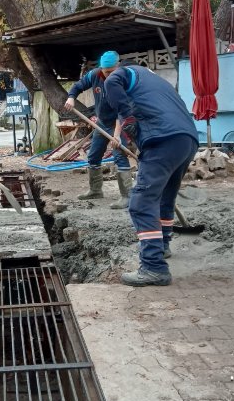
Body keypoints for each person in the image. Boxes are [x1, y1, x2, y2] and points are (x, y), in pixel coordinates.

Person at [102, 62, 198, 287]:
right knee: (165, 198)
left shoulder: (125, 73)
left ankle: (153, 267)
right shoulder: (157, 83)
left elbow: (111, 81)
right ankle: (162, 245)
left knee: (141, 203)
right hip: (187, 139)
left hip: (162, 139)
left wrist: (127, 118)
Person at [63, 51, 132, 208]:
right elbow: (78, 86)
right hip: (102, 122)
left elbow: (123, 111)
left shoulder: (123, 79)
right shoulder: (94, 75)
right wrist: (71, 96)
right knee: (93, 156)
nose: (108, 76)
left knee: (119, 154)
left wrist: (117, 136)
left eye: (111, 72)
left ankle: (127, 196)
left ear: (117, 67)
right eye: (105, 72)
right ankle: (95, 190)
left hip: (119, 121)